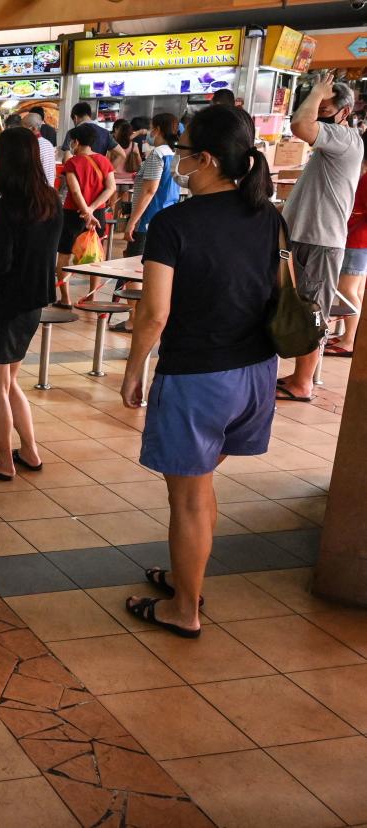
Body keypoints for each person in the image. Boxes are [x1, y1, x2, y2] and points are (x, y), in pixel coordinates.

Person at [120, 105, 281, 638]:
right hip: (255, 373)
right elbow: (280, 293)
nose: (178, 161)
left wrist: (134, 369)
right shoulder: (267, 214)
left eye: (185, 153)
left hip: (197, 377)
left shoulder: (173, 224)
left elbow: (154, 313)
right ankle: (186, 576)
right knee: (203, 481)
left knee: (186, 498)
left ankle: (183, 608)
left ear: (207, 160)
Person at [0, 127, 61, 480]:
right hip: (31, 305)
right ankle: (30, 452)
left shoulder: (7, 208)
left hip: (1, 305)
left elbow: (1, 265)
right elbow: (34, 250)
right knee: (10, 383)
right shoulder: (51, 201)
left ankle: (4, 461)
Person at [276, 75, 362, 401]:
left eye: (325, 108)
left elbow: (300, 125)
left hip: (321, 242)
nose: (317, 113)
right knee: (296, 307)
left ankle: (303, 382)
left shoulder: (345, 138)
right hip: (304, 238)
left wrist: (315, 92)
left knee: (313, 310)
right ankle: (300, 374)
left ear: (345, 112)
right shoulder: (332, 143)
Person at [55, 122, 117, 305]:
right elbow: (111, 188)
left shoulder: (72, 163)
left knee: (65, 254)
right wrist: (92, 210)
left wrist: (85, 211)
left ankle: (65, 299)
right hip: (97, 215)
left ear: (75, 141)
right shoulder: (104, 161)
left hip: (74, 214)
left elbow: (75, 192)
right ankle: (91, 297)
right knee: (95, 254)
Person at [329, 134, 367, 357]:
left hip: (356, 240)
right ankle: (350, 336)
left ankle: (349, 339)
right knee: (357, 291)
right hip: (360, 240)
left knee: (347, 290)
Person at [123, 114, 181, 258]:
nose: (149, 133)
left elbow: (149, 190)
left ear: (158, 129)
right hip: (167, 215)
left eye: (150, 129)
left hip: (148, 218)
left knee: (134, 265)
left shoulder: (157, 154)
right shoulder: (174, 154)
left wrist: (132, 221)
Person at [22, 111, 57, 185]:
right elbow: (54, 172)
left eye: (24, 129)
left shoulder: (32, 146)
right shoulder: (48, 144)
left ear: (33, 128)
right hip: (48, 191)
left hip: (37, 192)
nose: (22, 132)